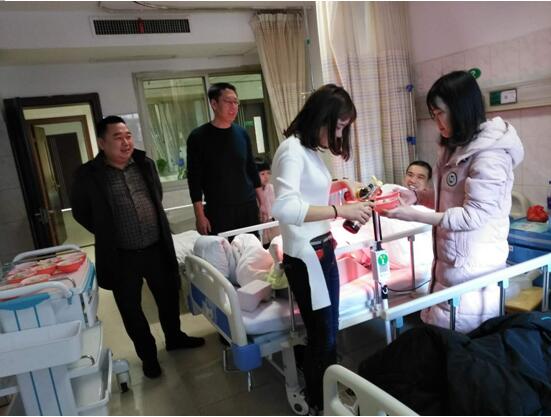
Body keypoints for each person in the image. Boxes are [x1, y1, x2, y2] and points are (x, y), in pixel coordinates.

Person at [382, 71, 524, 333]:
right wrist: (417, 196)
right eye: (433, 115)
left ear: (460, 109)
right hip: (450, 266)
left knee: (462, 341)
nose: (437, 122)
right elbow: (449, 196)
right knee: (443, 340)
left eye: (440, 113)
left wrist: (414, 214)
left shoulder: (490, 156)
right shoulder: (456, 147)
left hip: (473, 269)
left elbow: (473, 216)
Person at [71, 116, 205, 379]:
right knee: (131, 310)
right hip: (121, 255)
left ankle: (174, 337)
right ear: (102, 143)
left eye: (128, 136)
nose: (125, 142)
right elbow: (81, 212)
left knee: (168, 297)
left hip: (156, 247)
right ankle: (148, 356)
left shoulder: (145, 164)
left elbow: (157, 195)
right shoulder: (88, 175)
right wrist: (106, 230)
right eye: (118, 137)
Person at [271, 84, 373, 414]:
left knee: (326, 332)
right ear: (322, 116)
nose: (340, 134)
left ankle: (326, 393)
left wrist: (340, 188)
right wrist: (340, 210)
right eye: (339, 126)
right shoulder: (291, 150)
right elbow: (285, 208)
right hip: (307, 256)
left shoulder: (309, 150)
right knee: (323, 335)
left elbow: (307, 195)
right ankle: (320, 402)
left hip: (320, 249)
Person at [186, 82, 268, 237]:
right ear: (214, 104)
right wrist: (199, 215)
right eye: (228, 101)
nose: (233, 106)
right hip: (218, 209)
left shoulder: (242, 133)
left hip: (247, 206)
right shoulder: (198, 137)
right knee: (223, 251)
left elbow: (251, 169)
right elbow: (194, 180)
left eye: (236, 102)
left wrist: (263, 203)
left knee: (252, 249)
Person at [254, 157, 280, 248]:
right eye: (262, 174)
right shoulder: (253, 192)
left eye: (268, 173)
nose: (266, 176)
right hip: (261, 226)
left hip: (273, 224)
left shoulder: (271, 188)